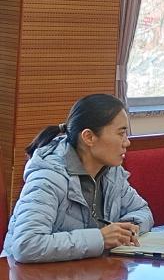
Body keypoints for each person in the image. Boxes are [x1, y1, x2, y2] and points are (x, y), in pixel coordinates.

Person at [4, 94, 153, 263]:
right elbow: (26, 245)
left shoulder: (112, 171)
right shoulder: (49, 177)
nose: (127, 142)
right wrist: (100, 238)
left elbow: (142, 211)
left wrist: (124, 231)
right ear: (88, 137)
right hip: (25, 275)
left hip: (85, 272)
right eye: (121, 133)